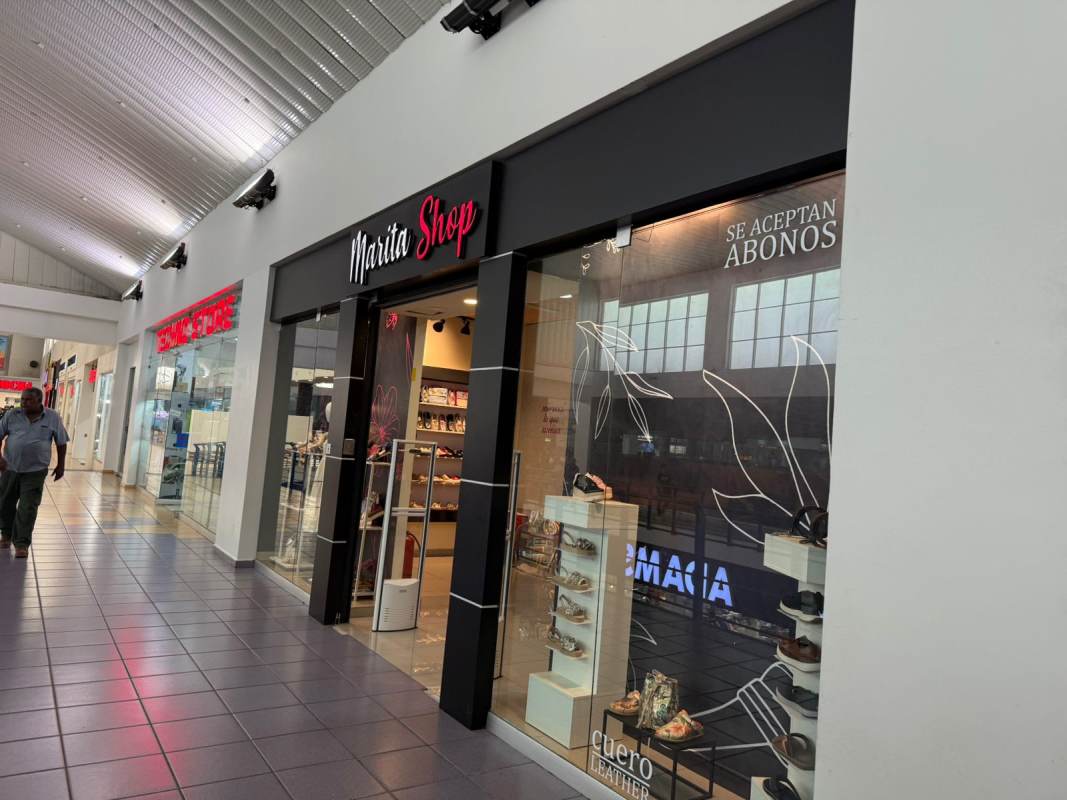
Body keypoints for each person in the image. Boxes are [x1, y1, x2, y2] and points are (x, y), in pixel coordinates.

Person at [0, 387, 68, 558]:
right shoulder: (12, 415)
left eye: (28, 400)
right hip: (10, 467)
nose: (24, 403)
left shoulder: (52, 417)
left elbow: (61, 442)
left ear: (40, 402)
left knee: (28, 506)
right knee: (5, 503)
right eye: (22, 400)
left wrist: (61, 465)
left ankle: (22, 543)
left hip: (35, 470)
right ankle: (6, 535)